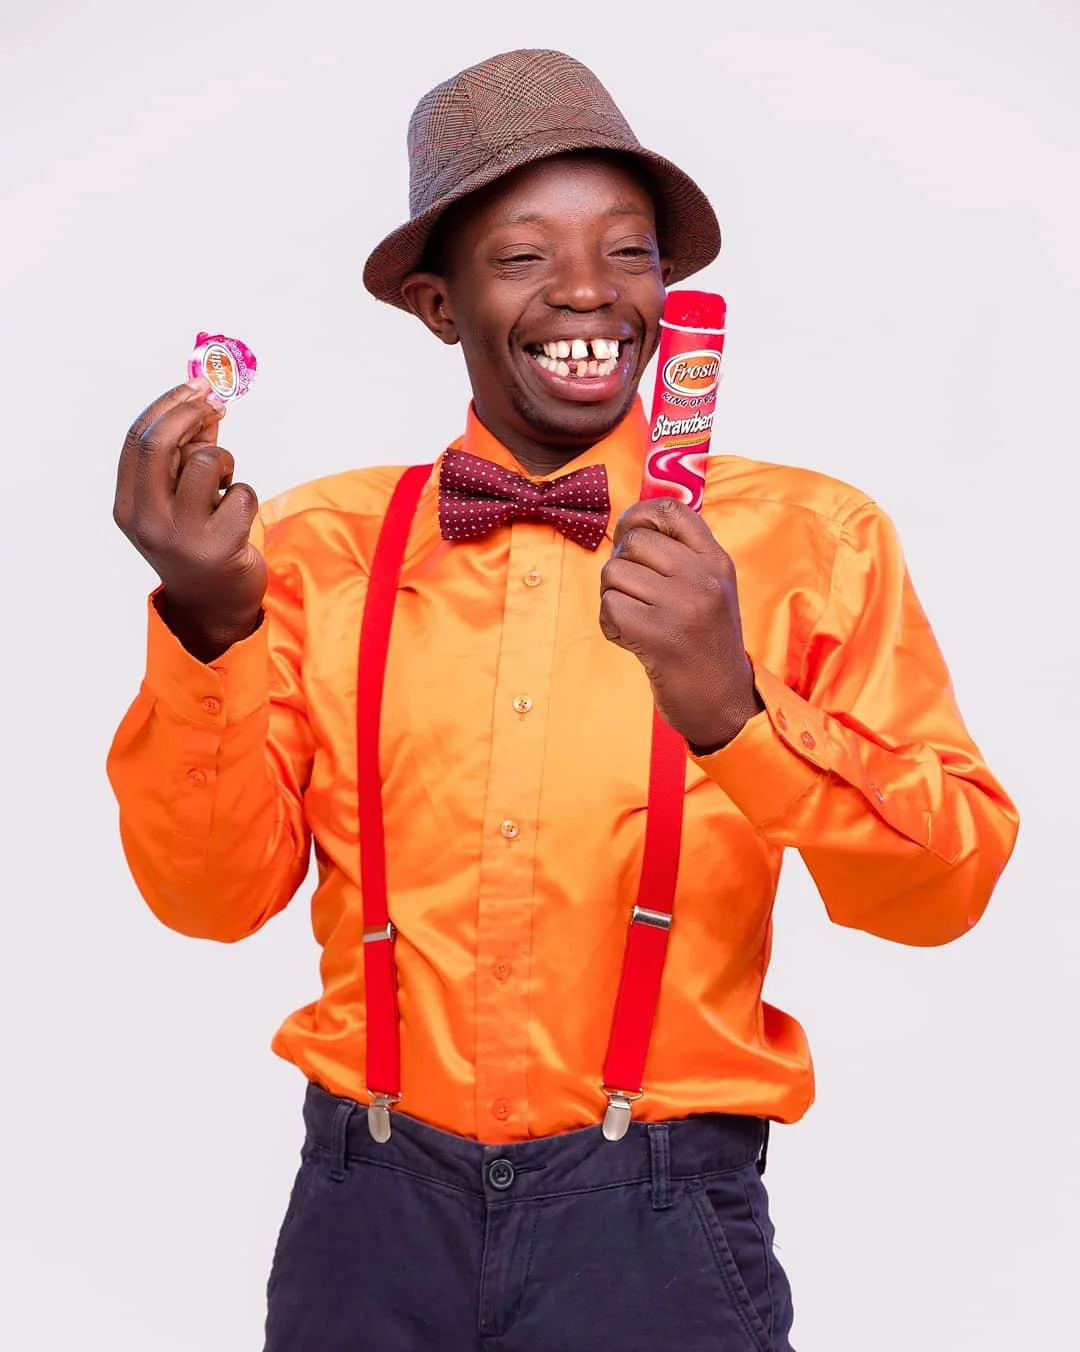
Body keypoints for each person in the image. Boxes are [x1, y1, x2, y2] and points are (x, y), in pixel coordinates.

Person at [107, 48, 1018, 1352]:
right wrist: (207, 626)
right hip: (366, 1214)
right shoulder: (317, 548)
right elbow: (208, 897)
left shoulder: (813, 539)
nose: (589, 290)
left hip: (659, 1216)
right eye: (524, 255)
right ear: (439, 301)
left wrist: (735, 712)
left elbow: (944, 886)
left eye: (629, 252)